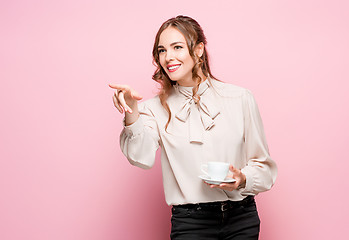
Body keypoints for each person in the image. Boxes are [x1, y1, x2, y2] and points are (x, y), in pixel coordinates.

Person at [109, 15, 277, 240]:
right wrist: (132, 112)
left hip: (241, 218)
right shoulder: (153, 109)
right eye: (161, 50)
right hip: (190, 224)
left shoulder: (240, 98)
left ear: (198, 49)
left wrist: (243, 178)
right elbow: (141, 157)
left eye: (177, 47)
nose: (168, 57)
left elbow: (263, 167)